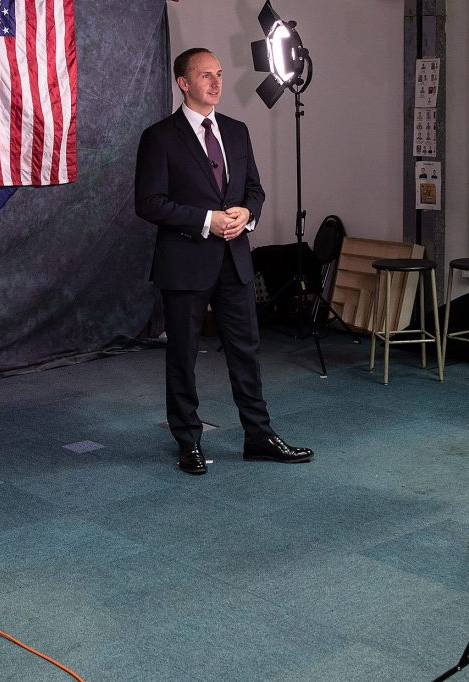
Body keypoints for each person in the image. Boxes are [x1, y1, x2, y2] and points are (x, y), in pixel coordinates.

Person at [134, 48, 314, 475]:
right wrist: (206, 220)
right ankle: (189, 441)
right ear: (183, 83)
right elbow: (149, 203)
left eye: (218, 74)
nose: (216, 83)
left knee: (246, 352)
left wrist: (247, 214)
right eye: (205, 76)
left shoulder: (236, 131)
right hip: (184, 263)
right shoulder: (159, 137)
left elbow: (254, 189)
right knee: (182, 356)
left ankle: (259, 435)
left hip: (234, 262)